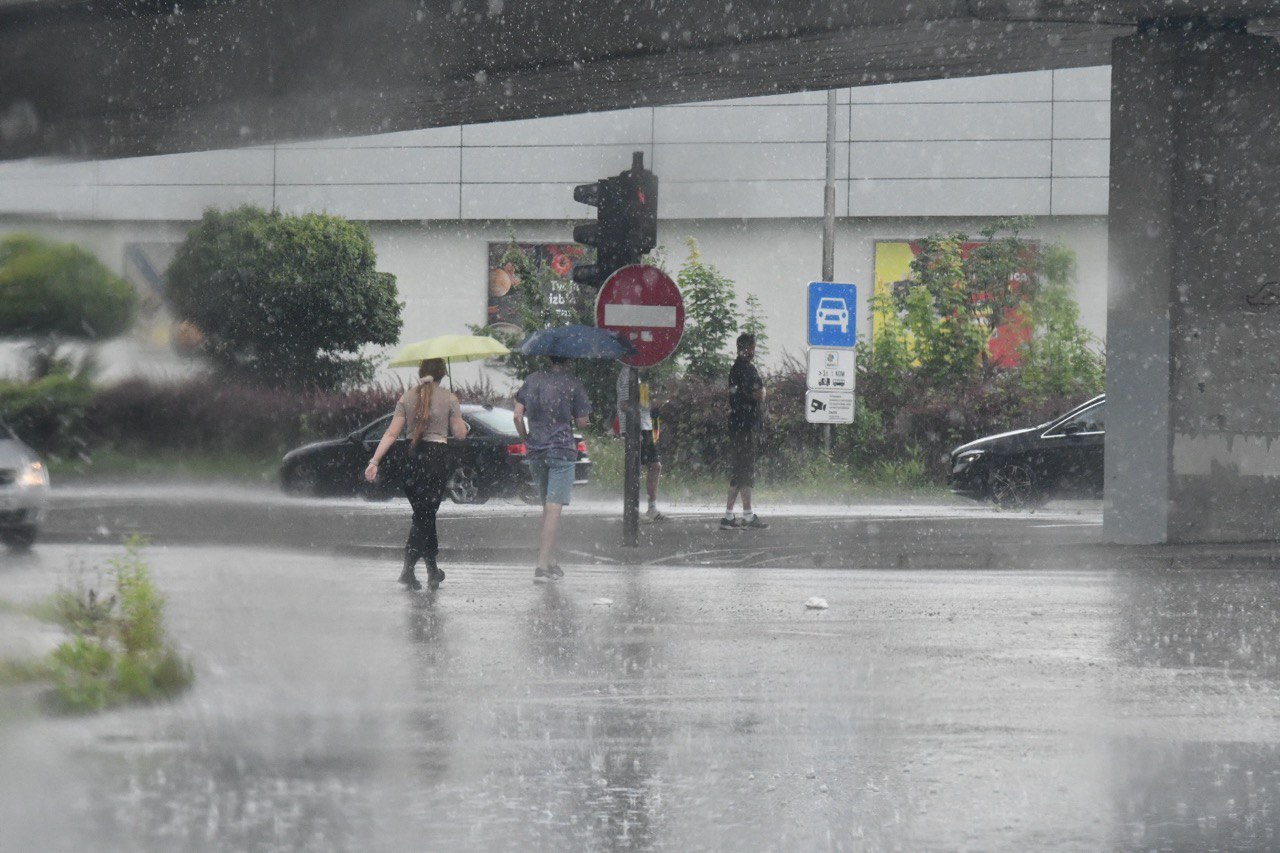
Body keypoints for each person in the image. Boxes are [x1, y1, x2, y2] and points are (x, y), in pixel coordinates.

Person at [364, 358, 468, 590]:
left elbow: (391, 433)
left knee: (423, 516)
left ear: (421, 372)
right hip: (436, 460)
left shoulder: (406, 397)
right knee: (425, 516)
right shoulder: (450, 398)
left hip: (410, 458)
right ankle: (408, 569)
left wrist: (374, 461)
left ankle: (432, 571)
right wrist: (459, 416)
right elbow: (460, 434)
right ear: (443, 374)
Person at [514, 356, 591, 582]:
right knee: (554, 507)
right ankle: (541, 567)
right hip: (561, 451)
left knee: (547, 507)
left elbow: (518, 416)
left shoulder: (532, 380)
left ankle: (551, 560)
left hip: (535, 451)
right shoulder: (573, 384)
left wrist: (525, 437)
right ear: (568, 360)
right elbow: (583, 422)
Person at [723, 333, 768, 530]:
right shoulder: (747, 369)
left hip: (737, 425)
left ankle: (730, 515)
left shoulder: (735, 369)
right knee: (745, 470)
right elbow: (759, 393)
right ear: (748, 348)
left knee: (740, 469)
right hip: (746, 426)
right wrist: (762, 392)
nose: (754, 350)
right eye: (752, 347)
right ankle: (744, 515)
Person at [616, 365, 667, 522]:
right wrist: (647, 406)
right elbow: (624, 404)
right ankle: (636, 508)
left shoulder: (636, 376)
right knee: (641, 467)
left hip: (644, 426)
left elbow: (642, 404)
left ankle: (645, 507)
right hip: (637, 427)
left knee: (650, 466)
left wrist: (652, 403)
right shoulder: (627, 375)